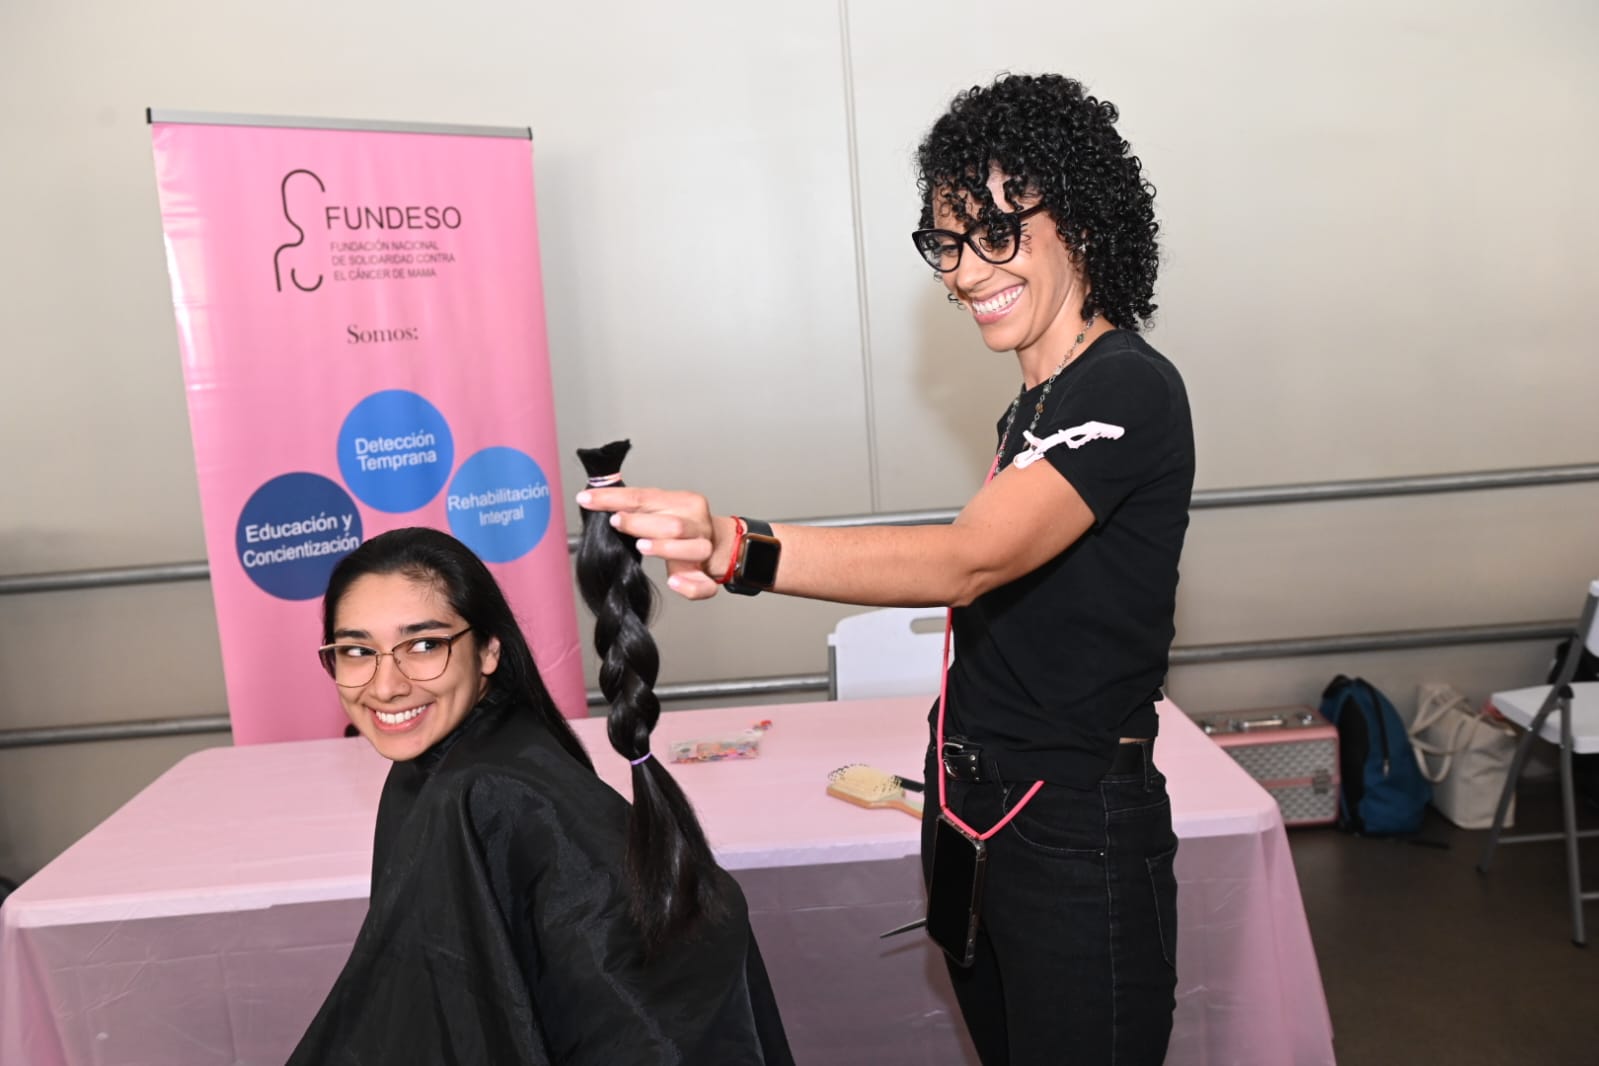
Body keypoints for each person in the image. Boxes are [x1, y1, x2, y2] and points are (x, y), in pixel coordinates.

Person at [579, 72, 1193, 1065]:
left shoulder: (1127, 387)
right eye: (946, 243)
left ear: (1076, 216)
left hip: (1074, 839)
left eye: (994, 232)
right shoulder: (1033, 406)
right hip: (972, 817)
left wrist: (740, 546)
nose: (964, 271)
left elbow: (967, 561)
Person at [288, 526, 793, 1065]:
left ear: (487, 651)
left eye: (424, 645)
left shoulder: (483, 791)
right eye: (357, 650)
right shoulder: (455, 760)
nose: (386, 685)